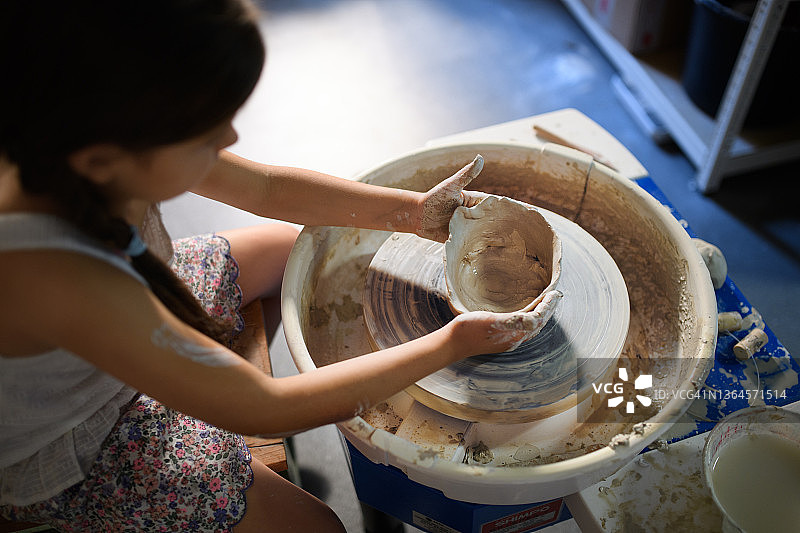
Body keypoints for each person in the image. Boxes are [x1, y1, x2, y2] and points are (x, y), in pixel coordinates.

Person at [0, 1, 559, 531]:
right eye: (208, 133)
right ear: (101, 160)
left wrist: (412, 212)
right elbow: (260, 408)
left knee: (281, 250)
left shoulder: (87, 133)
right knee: (315, 529)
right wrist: (451, 345)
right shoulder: (59, 279)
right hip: (76, 437)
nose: (231, 138)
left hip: (112, 323)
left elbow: (265, 186)